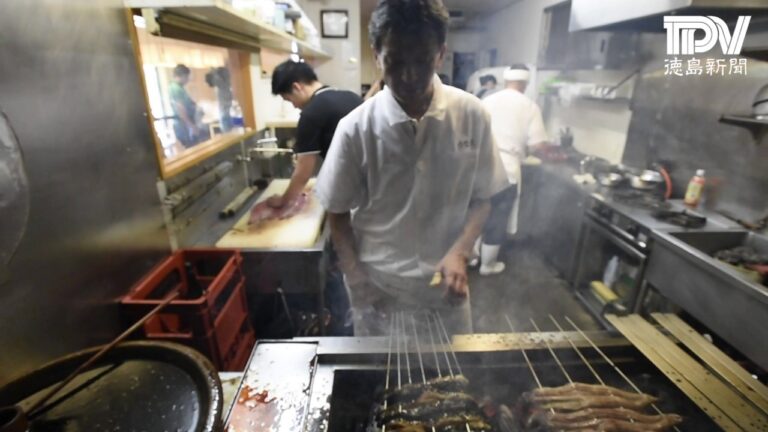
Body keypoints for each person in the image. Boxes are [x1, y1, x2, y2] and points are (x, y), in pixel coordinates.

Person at [315, 0, 508, 336]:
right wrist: (355, 275)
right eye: (395, 61)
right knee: (379, 381)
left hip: (447, 280)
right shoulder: (355, 128)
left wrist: (460, 252)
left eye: (422, 61)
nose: (409, 76)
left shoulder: (472, 114)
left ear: (441, 54)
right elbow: (337, 212)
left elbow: (484, 196)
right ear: (376, 55)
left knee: (457, 376)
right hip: (379, 284)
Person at [256, 60, 362, 211]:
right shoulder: (352, 97)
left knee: (341, 228)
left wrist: (283, 200)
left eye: (289, 99)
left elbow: (304, 170)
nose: (293, 105)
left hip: (354, 192)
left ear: (296, 87)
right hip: (379, 184)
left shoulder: (311, 113)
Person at [477, 64, 549, 273]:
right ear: (525, 83)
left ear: (506, 80)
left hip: (479, 164)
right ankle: (487, 264)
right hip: (507, 168)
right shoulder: (530, 106)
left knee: (476, 211)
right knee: (498, 216)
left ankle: (471, 258)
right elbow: (538, 145)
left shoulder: (487, 101)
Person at [169, 64, 201, 148]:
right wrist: (191, 126)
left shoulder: (179, 87)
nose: (188, 80)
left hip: (185, 124)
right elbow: (180, 108)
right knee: (193, 148)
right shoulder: (175, 88)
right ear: (183, 76)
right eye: (187, 77)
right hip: (184, 125)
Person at [205, 67, 234, 132]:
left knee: (228, 131)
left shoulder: (222, 84)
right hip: (225, 111)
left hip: (225, 111)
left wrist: (214, 71)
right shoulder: (222, 86)